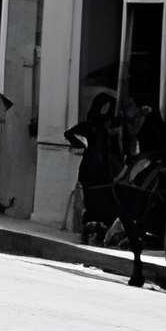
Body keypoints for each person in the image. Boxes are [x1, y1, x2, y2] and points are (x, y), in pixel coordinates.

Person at [65, 91, 123, 243]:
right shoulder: (93, 126)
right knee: (94, 201)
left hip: (101, 170)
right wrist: (82, 144)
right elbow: (69, 134)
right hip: (95, 170)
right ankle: (93, 231)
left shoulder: (104, 126)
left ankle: (99, 231)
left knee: (101, 201)